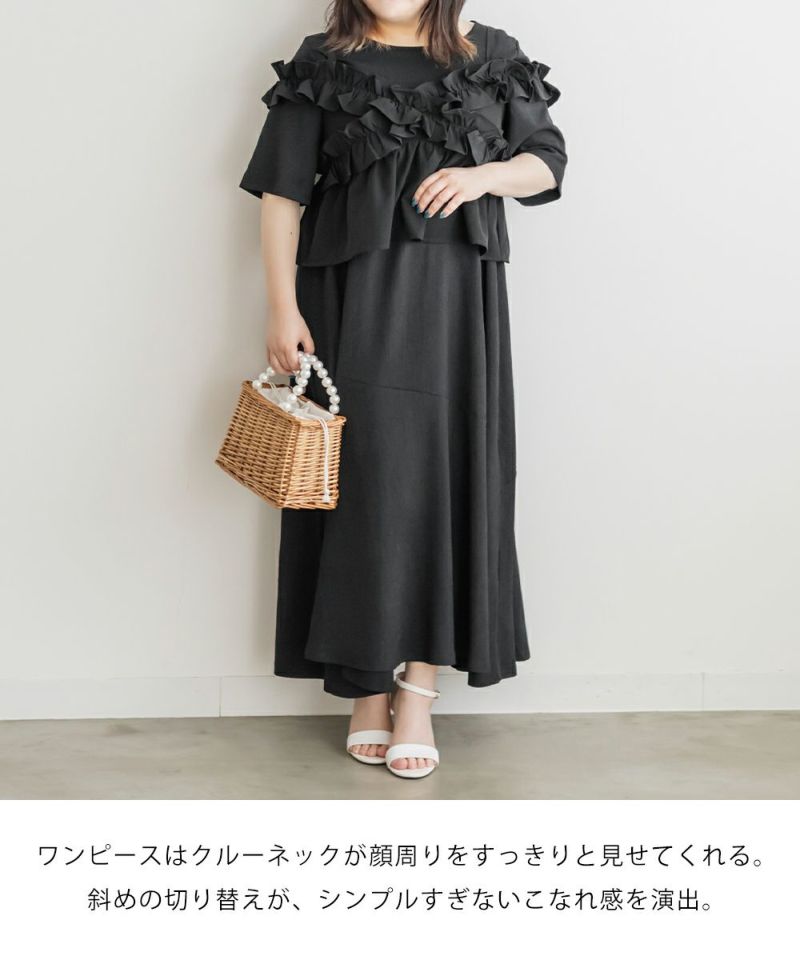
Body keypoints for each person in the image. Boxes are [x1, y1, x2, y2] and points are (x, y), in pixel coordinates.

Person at [239, 0, 567, 779]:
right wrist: (281, 307)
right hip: (349, 303)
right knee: (366, 484)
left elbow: (547, 161)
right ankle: (365, 684)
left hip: (458, 308)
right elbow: (283, 195)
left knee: (446, 478)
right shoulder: (323, 61)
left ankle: (418, 689)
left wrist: (484, 175)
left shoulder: (494, 56)